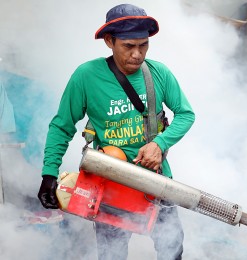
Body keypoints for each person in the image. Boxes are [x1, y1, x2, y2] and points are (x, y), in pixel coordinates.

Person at [37, 4, 195, 260]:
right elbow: (61, 126)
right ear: (109, 41)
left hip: (156, 182)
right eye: (128, 46)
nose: (137, 54)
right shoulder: (86, 76)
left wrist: (160, 143)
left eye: (143, 45)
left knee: (172, 246)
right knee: (112, 254)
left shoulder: (159, 74)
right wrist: (48, 173)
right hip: (110, 185)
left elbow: (186, 114)